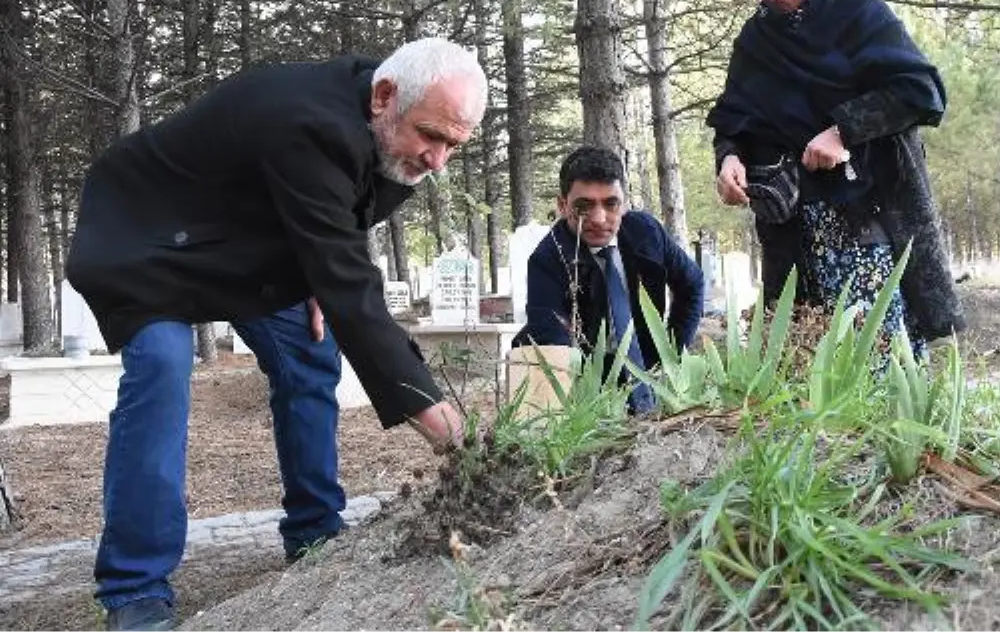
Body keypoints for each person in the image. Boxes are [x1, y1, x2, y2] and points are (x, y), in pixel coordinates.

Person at [65, 38, 488, 631]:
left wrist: (314, 267)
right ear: (384, 97)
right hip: (148, 234)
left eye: (453, 145)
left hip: (244, 242)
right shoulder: (310, 120)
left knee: (311, 352)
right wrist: (443, 425)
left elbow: (341, 214)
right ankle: (134, 587)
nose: (438, 159)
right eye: (432, 137)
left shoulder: (396, 120)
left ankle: (315, 532)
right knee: (163, 367)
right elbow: (353, 287)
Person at [706, 0, 964, 358]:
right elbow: (736, 119)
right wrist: (729, 159)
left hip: (869, 211)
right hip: (792, 227)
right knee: (806, 357)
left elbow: (920, 91)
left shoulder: (856, 12)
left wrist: (843, 131)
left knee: (879, 353)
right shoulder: (755, 41)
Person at [512, 147, 703, 413]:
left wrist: (670, 352)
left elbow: (692, 283)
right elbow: (552, 342)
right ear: (562, 205)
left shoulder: (646, 233)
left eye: (611, 204)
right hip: (588, 381)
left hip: (649, 368)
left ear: (624, 202)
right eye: (584, 206)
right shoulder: (548, 260)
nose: (599, 219)